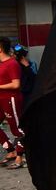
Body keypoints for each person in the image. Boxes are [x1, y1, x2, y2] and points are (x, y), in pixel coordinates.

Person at [0, 38, 24, 168]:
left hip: (11, 99)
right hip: (1, 99)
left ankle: (20, 157)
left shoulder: (12, 64)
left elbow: (16, 84)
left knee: (16, 128)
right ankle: (11, 150)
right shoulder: (1, 64)